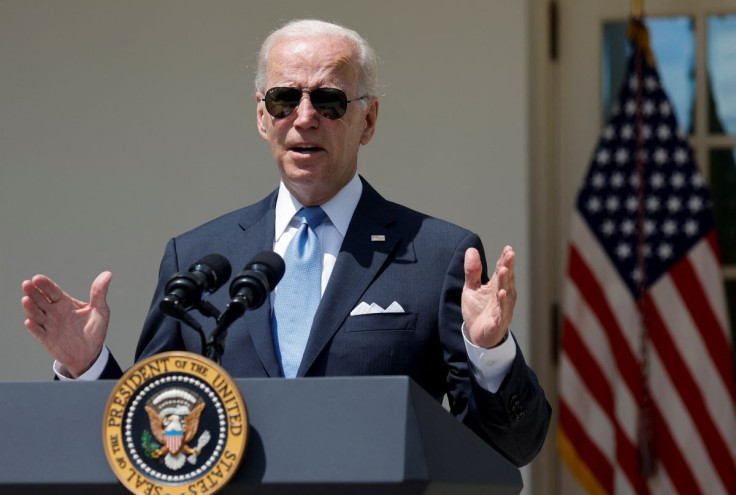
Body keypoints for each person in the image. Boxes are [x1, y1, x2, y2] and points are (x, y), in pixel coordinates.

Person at [21, 19, 550, 466]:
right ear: (261, 115)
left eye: (328, 100)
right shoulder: (201, 256)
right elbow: (154, 435)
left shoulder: (436, 255)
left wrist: (490, 354)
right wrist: (89, 367)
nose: (304, 116)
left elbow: (511, 446)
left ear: (368, 120)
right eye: (283, 99)